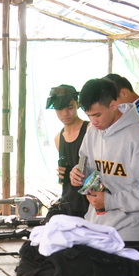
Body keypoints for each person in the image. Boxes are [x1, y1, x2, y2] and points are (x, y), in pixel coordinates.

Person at [69, 77, 139, 250]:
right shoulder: (92, 132)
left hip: (127, 235)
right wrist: (77, 173)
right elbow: (85, 164)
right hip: (94, 227)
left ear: (113, 105)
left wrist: (110, 201)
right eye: (89, 116)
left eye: (97, 115)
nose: (93, 121)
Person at [45, 84, 89, 219]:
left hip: (90, 202)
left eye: (70, 108)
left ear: (77, 104)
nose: (65, 113)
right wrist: (65, 174)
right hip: (69, 203)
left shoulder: (90, 130)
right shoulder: (58, 138)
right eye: (60, 109)